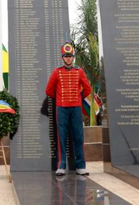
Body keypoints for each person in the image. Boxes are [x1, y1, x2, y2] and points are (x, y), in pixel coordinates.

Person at [45, 42, 92, 176]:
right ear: (62, 58)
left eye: (70, 56)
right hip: (62, 108)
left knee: (78, 136)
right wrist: (60, 98)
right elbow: (49, 90)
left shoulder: (79, 71)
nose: (68, 59)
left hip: (76, 108)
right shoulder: (57, 72)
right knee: (62, 136)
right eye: (66, 56)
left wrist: (77, 97)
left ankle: (81, 166)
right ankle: (61, 166)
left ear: (73, 57)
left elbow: (87, 89)